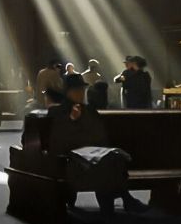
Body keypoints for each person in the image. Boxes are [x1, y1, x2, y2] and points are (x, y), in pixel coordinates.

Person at [58, 73, 146, 214]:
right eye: (76, 90)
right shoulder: (59, 111)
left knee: (113, 159)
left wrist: (100, 147)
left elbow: (101, 134)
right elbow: (60, 140)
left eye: (82, 90)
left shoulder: (89, 110)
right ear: (67, 92)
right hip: (73, 159)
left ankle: (114, 206)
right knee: (107, 164)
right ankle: (123, 201)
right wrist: (72, 120)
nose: (81, 93)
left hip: (93, 155)